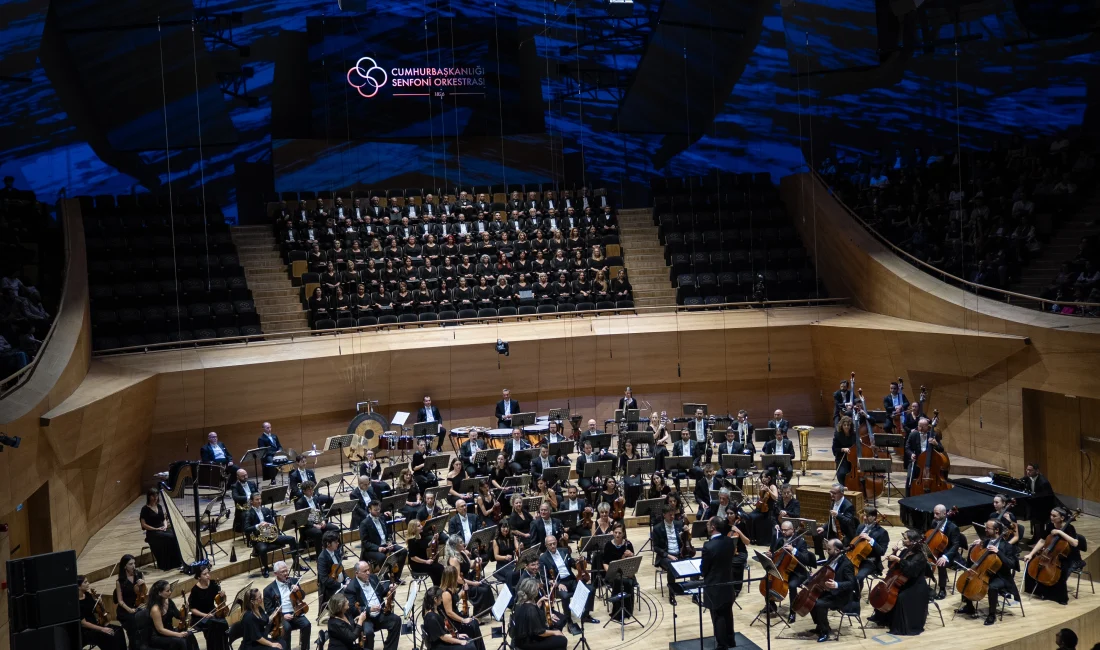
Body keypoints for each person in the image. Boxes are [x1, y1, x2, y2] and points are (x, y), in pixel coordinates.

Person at [956, 520, 1018, 626]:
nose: (985, 530)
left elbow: (1012, 564)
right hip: (984, 572)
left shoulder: (1007, 546)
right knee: (968, 578)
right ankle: (969, 606)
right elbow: (977, 559)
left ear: (997, 530)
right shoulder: (985, 542)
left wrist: (999, 552)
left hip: (1001, 576)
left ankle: (992, 615)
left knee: (992, 587)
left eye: (988, 528)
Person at [868, 530, 929, 635]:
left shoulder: (920, 556)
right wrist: (894, 554)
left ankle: (900, 626)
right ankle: (882, 618)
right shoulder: (905, 551)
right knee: (884, 593)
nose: (903, 540)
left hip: (915, 585)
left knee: (900, 598)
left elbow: (912, 570)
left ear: (913, 542)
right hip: (903, 581)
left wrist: (898, 559)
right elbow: (892, 567)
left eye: (905, 538)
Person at [539, 535, 598, 633]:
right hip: (558, 584)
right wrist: (557, 584)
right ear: (546, 545)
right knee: (565, 596)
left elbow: (572, 564)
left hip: (571, 580)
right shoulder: (543, 558)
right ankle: (568, 620)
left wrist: (578, 562)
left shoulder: (564, 551)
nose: (553, 546)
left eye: (554, 543)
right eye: (550, 545)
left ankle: (586, 615)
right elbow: (544, 577)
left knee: (590, 589)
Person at [1022, 507, 1080, 605]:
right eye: (1051, 515)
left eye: (1054, 516)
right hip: (1052, 555)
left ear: (1062, 518)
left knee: (1061, 571)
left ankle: (1060, 598)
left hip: (1068, 557)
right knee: (1032, 563)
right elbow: (1042, 540)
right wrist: (1031, 554)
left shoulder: (1070, 528)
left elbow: (1075, 543)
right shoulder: (1050, 526)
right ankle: (1040, 592)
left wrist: (1060, 532)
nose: (1051, 517)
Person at [343, 561, 401, 650]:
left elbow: (382, 592)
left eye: (368, 570)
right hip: (366, 618)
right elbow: (352, 609)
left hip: (380, 614)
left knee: (396, 620)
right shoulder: (351, 588)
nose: (368, 573)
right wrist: (369, 609)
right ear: (357, 573)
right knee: (368, 632)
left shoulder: (373, 578)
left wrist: (389, 589)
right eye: (365, 571)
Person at [244, 492, 303, 578]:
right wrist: (258, 526)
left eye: (260, 499)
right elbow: (246, 529)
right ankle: (266, 568)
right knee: (263, 549)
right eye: (257, 499)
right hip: (259, 539)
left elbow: (273, 524)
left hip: (270, 536)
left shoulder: (266, 510)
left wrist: (270, 525)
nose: (259, 501)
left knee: (291, 539)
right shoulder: (248, 513)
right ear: (251, 501)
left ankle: (296, 564)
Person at [809, 539, 857, 642]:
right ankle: (820, 625)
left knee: (819, 604)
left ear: (837, 550)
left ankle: (825, 631)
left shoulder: (847, 564)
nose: (826, 551)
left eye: (829, 549)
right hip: (829, 591)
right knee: (810, 600)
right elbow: (826, 573)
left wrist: (837, 584)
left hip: (841, 596)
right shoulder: (831, 557)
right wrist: (816, 576)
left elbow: (851, 583)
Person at [767, 520, 814, 624]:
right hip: (783, 569)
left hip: (797, 572)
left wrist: (794, 550)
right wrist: (771, 555)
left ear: (792, 530)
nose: (783, 532)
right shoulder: (780, 540)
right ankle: (771, 604)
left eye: (786, 530)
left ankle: (792, 612)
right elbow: (776, 554)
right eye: (782, 530)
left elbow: (806, 559)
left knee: (792, 585)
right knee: (769, 579)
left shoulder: (800, 542)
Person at [701, 517, 736, 650]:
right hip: (728, 583)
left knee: (718, 615)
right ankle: (731, 640)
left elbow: (704, 569)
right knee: (728, 612)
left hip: (714, 586)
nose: (707, 525)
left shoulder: (708, 546)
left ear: (713, 527)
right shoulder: (729, 541)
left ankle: (722, 645)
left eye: (709, 524)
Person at [262, 561, 311, 650]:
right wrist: (283, 615)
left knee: (307, 624)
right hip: (281, 616)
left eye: (286, 571)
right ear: (276, 574)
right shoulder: (268, 590)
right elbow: (269, 609)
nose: (286, 573)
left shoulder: (293, 581)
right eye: (282, 572)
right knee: (286, 628)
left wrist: (298, 590)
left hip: (296, 611)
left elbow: (302, 597)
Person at [512, 578, 568, 650]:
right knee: (562, 640)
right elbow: (540, 632)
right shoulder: (531, 609)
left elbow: (530, 616)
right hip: (529, 643)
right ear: (533, 592)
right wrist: (555, 632)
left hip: (521, 639)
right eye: (537, 589)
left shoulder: (520, 603)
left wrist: (539, 603)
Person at [440, 566, 488, 650]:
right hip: (452, 623)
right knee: (472, 625)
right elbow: (449, 613)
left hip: (456, 617)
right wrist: (463, 620)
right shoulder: (446, 593)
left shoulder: (451, 588)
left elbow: (455, 599)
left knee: (474, 623)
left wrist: (463, 591)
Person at [444, 536, 494, 616]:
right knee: (482, 591)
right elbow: (458, 579)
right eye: (460, 543)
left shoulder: (462, 553)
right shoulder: (454, 559)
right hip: (460, 585)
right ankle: (478, 615)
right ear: (455, 545)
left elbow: (470, 565)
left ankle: (492, 610)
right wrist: (473, 583)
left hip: (468, 579)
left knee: (487, 587)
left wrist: (476, 561)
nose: (463, 544)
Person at [78, 574, 127, 650]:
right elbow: (84, 624)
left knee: (119, 630)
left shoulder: (87, 595)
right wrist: (102, 629)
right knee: (108, 636)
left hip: (97, 624)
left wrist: (100, 603)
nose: (88, 583)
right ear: (78, 586)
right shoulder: (77, 603)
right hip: (87, 631)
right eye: (85, 582)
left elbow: (99, 610)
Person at [139, 488, 183, 570]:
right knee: (169, 537)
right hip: (152, 532)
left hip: (162, 528)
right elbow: (143, 524)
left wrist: (165, 526)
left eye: (156, 495)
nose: (155, 497)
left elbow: (163, 519)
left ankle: (178, 562)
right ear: (149, 496)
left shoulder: (159, 506)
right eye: (153, 495)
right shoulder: (144, 509)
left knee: (175, 535)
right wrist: (155, 529)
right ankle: (168, 564)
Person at [187, 566, 229, 650]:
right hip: (200, 616)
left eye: (208, 573)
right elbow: (192, 609)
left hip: (212, 612)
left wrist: (223, 595)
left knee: (224, 623)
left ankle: (224, 646)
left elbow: (222, 600)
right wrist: (205, 615)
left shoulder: (213, 584)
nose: (208, 575)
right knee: (214, 625)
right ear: (199, 577)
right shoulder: (195, 590)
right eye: (204, 574)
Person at [148, 579, 198, 649]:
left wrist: (185, 609)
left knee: (190, 635)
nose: (170, 592)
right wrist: (178, 634)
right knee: (181, 641)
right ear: (159, 593)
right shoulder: (155, 609)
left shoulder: (168, 601)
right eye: (167, 591)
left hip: (170, 631)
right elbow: (160, 630)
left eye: (170, 590)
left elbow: (179, 616)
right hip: (159, 637)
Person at [926, 504, 963, 600]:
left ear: (944, 514)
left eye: (937, 514)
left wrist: (945, 556)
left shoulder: (953, 527)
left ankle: (942, 589)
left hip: (949, 554)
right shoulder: (934, 522)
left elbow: (955, 546)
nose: (934, 516)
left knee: (940, 563)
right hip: (936, 550)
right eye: (934, 513)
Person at [651, 505, 685, 604]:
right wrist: (668, 555)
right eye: (670, 515)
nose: (672, 517)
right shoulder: (657, 528)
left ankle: (693, 592)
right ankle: (672, 594)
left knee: (694, 562)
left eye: (673, 515)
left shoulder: (678, 524)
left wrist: (686, 532)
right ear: (664, 515)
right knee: (671, 566)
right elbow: (656, 547)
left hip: (679, 554)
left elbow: (684, 539)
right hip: (665, 556)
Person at [295, 481, 339, 556]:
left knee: (335, 528)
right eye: (309, 490)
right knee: (318, 533)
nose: (312, 491)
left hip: (319, 522)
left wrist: (324, 521)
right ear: (304, 491)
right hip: (308, 527)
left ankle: (337, 552)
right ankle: (320, 555)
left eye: (312, 489)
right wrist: (314, 525)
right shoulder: (300, 502)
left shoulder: (315, 498)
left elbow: (321, 512)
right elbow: (302, 519)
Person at [813, 484, 857, 559]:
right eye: (831, 492)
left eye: (834, 493)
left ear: (842, 493)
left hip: (844, 535)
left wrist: (838, 515)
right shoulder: (833, 502)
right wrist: (823, 528)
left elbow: (849, 521)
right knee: (816, 534)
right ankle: (821, 557)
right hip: (833, 532)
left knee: (834, 554)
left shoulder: (848, 506)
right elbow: (831, 520)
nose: (832, 495)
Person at [601, 523, 636, 618]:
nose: (617, 535)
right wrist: (610, 572)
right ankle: (617, 611)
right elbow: (605, 562)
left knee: (627, 581)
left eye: (619, 533)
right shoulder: (608, 545)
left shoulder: (628, 544)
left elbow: (634, 563)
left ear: (623, 533)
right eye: (615, 532)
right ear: (612, 532)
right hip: (613, 575)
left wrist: (632, 555)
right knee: (618, 581)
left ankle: (627, 611)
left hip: (627, 573)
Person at [851, 506, 889, 591]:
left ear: (874, 517)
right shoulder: (860, 527)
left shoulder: (882, 532)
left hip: (870, 561)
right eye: (864, 515)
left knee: (857, 577)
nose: (864, 518)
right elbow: (854, 542)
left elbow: (882, 551)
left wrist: (871, 540)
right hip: (856, 557)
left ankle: (855, 597)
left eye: (867, 516)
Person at [360, 501, 403, 575]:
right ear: (370, 510)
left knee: (403, 551)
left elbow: (389, 533)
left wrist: (389, 542)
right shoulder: (364, 523)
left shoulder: (382, 518)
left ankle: (396, 577)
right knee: (382, 557)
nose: (377, 511)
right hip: (372, 549)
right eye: (375, 510)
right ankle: (386, 580)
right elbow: (365, 542)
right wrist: (377, 548)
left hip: (385, 545)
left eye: (378, 509)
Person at [905, 417, 945, 495]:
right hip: (916, 462)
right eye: (919, 426)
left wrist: (936, 444)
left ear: (927, 426)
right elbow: (907, 447)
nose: (920, 428)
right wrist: (911, 454)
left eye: (922, 427)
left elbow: (941, 449)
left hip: (930, 464)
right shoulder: (913, 434)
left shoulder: (933, 435)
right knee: (909, 478)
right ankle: (907, 498)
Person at [114, 554, 145, 646]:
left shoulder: (140, 575)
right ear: (125, 566)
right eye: (130, 564)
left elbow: (143, 593)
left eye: (134, 563)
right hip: (125, 609)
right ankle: (133, 646)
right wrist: (129, 610)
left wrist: (143, 584)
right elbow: (120, 601)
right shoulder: (120, 581)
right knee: (134, 623)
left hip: (138, 606)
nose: (133, 566)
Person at [1021, 463, 1055, 544]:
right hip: (1035, 504)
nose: (1028, 472)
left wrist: (1032, 497)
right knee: (1034, 521)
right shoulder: (1028, 478)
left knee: (1039, 523)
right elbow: (1020, 482)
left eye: (1030, 470)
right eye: (1027, 470)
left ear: (1037, 471)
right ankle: (1036, 537)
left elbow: (1045, 496)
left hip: (1045, 507)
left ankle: (1041, 540)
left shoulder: (1043, 482)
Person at [316, 531, 348, 610]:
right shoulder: (322, 558)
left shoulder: (336, 552)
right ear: (328, 544)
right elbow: (324, 580)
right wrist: (341, 586)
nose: (338, 544)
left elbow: (341, 569)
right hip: (331, 589)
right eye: (336, 542)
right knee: (348, 597)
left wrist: (347, 579)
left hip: (342, 584)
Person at [407, 519, 444, 586]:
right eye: (419, 526)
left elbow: (426, 546)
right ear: (413, 528)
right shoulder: (411, 541)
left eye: (420, 525)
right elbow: (413, 557)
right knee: (437, 568)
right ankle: (437, 586)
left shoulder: (420, 535)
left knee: (440, 567)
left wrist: (434, 539)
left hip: (424, 561)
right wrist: (426, 561)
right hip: (417, 565)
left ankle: (438, 586)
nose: (421, 526)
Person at [831, 416, 857, 488]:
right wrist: (843, 449)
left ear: (850, 426)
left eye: (848, 425)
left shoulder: (854, 435)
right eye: (844, 425)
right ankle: (843, 488)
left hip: (853, 459)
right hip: (842, 458)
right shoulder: (837, 435)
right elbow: (834, 449)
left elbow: (857, 447)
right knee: (842, 474)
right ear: (841, 425)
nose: (846, 427)